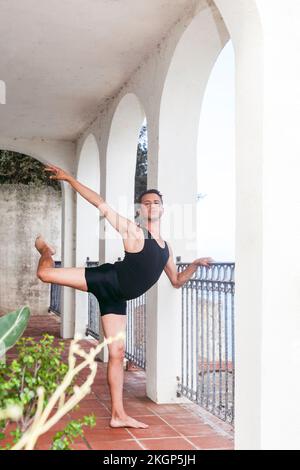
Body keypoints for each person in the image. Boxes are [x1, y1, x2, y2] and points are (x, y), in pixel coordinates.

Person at [35, 164, 214, 429]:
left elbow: (176, 281)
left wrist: (195, 264)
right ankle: (45, 250)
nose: (152, 206)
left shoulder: (166, 249)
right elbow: (101, 204)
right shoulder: (133, 231)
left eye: (156, 202)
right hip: (106, 279)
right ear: (141, 209)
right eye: (146, 203)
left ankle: (118, 415)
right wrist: (71, 179)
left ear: (163, 209)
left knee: (116, 353)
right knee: (46, 274)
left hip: (117, 300)